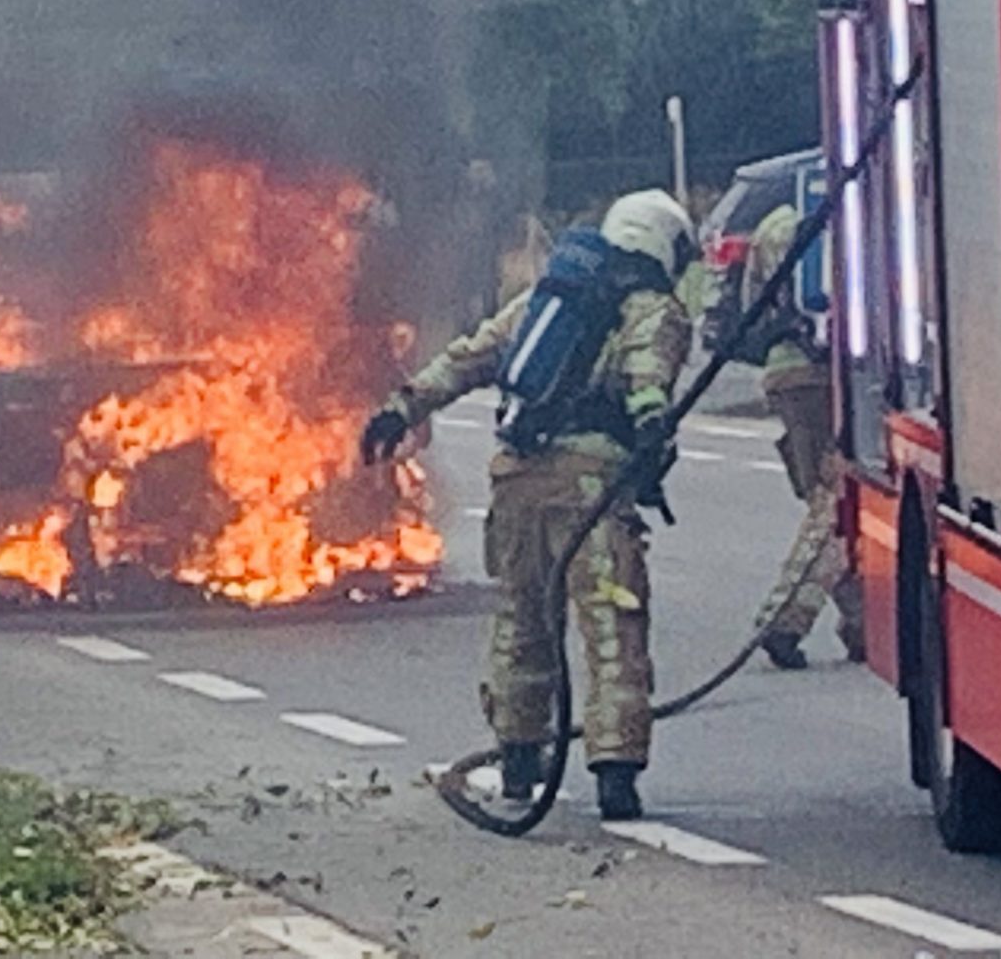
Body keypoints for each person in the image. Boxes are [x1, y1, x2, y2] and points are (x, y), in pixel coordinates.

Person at [361, 188, 695, 824]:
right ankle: (616, 775)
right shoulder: (652, 308)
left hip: (516, 481)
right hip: (590, 489)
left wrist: (401, 408)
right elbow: (648, 381)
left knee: (523, 620)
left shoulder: (549, 298)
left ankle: (519, 757)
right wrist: (652, 426)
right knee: (611, 622)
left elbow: (469, 357)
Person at [742, 202, 866, 670]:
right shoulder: (850, 206)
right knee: (835, 505)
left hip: (785, 374)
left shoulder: (774, 222)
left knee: (836, 504)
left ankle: (866, 626)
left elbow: (751, 304)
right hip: (832, 376)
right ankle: (785, 621)